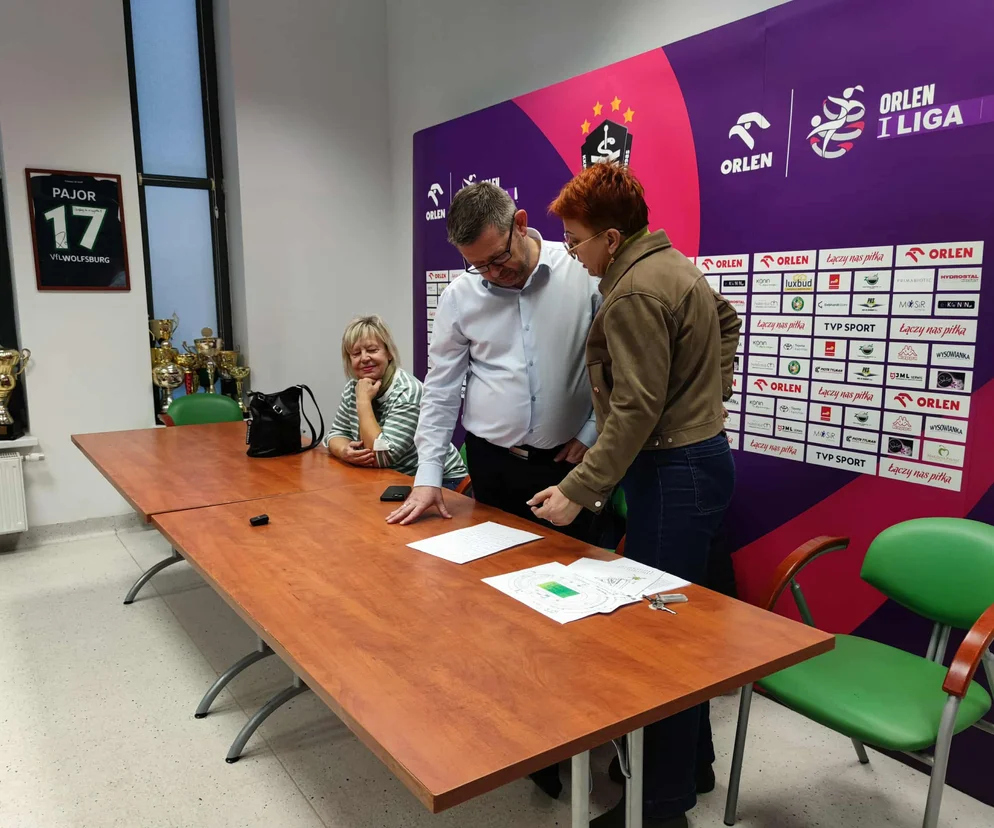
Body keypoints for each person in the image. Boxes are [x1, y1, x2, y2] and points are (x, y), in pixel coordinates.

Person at [528, 163, 740, 828]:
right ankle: (693, 765)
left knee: (658, 644)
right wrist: (707, 399)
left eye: (576, 241)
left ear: (612, 238)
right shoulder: (672, 267)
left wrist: (579, 489)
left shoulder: (631, 293)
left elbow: (636, 407)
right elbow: (727, 322)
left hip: (672, 473)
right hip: (695, 462)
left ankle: (659, 808)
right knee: (680, 632)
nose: (573, 253)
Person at [386, 182, 608, 544]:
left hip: (566, 464)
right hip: (492, 464)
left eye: (499, 258)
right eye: (478, 266)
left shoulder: (580, 273)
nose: (492, 274)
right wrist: (428, 476)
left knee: (568, 568)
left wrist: (593, 429)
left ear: (520, 224)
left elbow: (614, 363)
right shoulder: (459, 296)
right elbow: (441, 389)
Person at [325, 315, 467, 488]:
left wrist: (363, 402)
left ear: (389, 353)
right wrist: (344, 451)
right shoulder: (354, 387)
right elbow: (336, 434)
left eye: (372, 350)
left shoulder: (408, 391)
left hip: (440, 480)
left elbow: (381, 457)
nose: (364, 358)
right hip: (390, 476)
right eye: (355, 354)